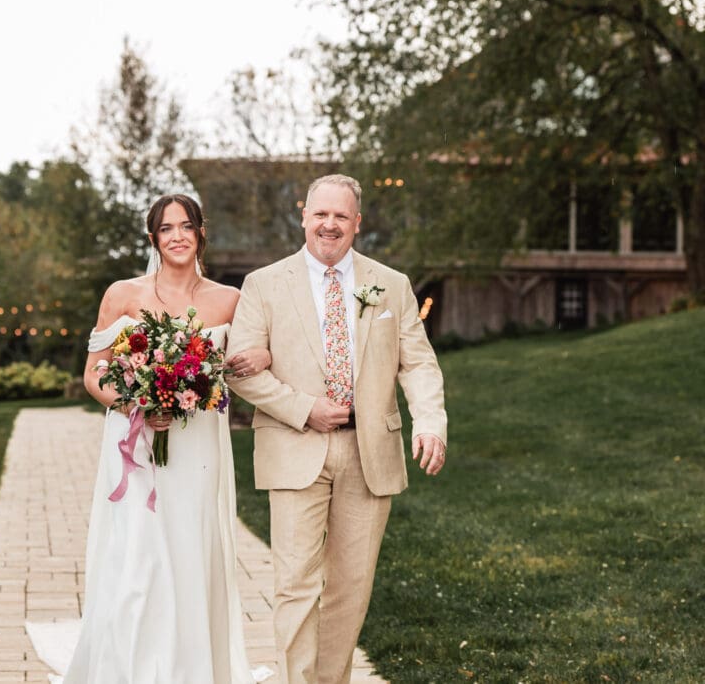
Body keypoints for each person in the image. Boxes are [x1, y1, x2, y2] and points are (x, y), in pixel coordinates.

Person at [28, 194, 272, 683]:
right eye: (166, 228)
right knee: (138, 555)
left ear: (201, 233)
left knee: (188, 549)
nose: (177, 236)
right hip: (135, 443)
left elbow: (258, 354)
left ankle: (191, 667)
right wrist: (135, 403)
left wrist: (262, 357)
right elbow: (94, 374)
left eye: (186, 226)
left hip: (198, 443)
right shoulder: (122, 294)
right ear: (153, 238)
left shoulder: (229, 299)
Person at [226, 174, 448, 684]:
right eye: (320, 214)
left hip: (369, 454)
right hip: (293, 446)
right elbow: (242, 372)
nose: (330, 225)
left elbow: (418, 364)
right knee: (296, 585)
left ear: (357, 223)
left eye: (341, 216)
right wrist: (306, 409)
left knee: (351, 587)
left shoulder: (391, 284)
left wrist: (430, 424)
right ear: (303, 215)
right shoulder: (264, 283)